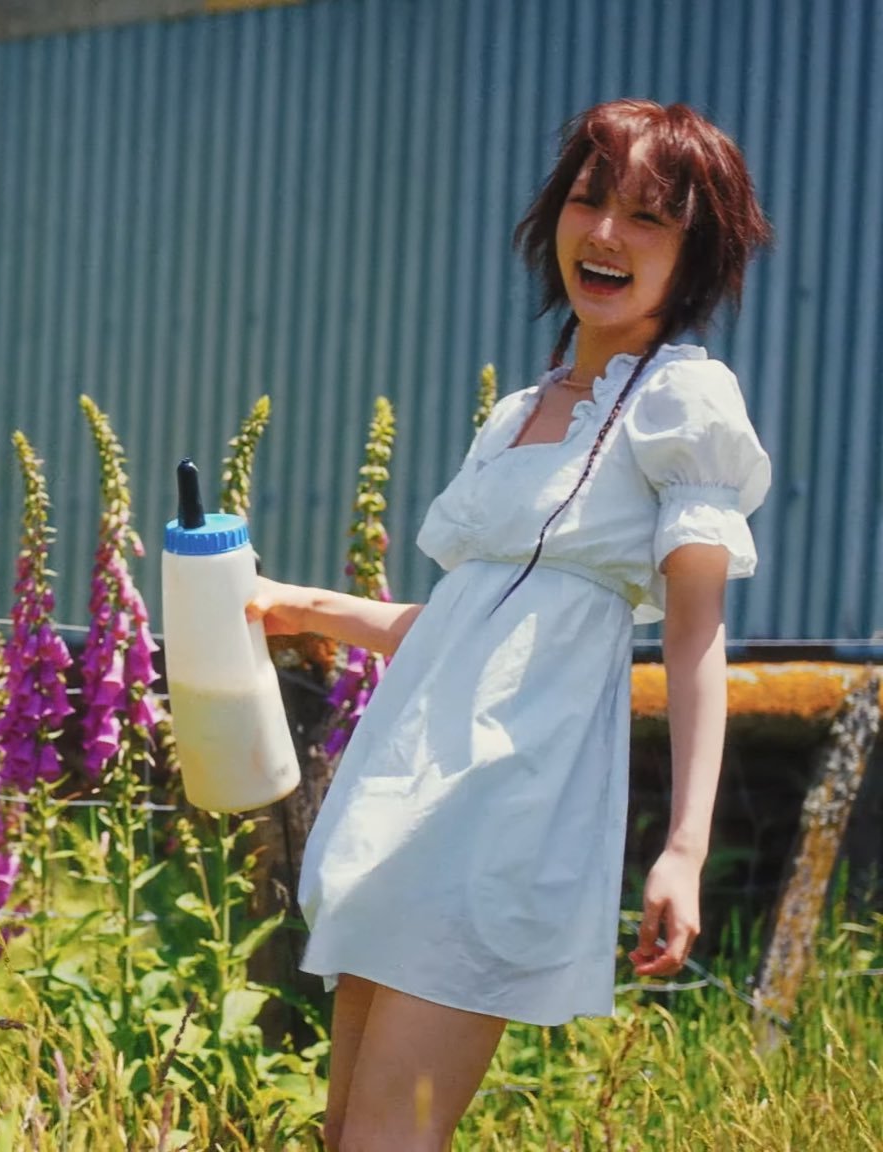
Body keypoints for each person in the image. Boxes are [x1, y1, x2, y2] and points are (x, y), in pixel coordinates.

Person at [246, 98, 773, 1151]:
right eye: (587, 200)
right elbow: (465, 628)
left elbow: (693, 633)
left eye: (646, 216)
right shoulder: (517, 412)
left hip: (507, 814)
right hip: (410, 799)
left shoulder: (682, 402)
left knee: (385, 1136)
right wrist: (294, 605)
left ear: (696, 253)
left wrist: (681, 845)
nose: (605, 234)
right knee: (344, 1127)